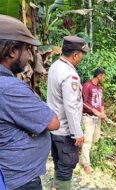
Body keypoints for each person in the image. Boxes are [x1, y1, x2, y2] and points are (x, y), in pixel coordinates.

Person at [0, 15, 60, 190]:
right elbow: (52, 122)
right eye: (27, 49)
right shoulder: (9, 88)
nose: (29, 56)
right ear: (12, 51)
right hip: (19, 180)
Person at [47, 36, 89, 189]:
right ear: (75, 54)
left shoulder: (55, 66)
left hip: (54, 128)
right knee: (66, 166)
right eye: (82, 53)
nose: (82, 57)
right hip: (65, 131)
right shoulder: (69, 75)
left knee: (59, 162)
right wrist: (77, 133)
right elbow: (70, 106)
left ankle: (56, 186)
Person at [81, 68, 106, 174]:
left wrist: (102, 113)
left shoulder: (100, 88)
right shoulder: (87, 86)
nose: (104, 79)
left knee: (95, 139)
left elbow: (102, 103)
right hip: (88, 117)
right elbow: (83, 102)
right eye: (103, 77)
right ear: (99, 76)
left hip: (97, 119)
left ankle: (81, 155)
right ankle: (86, 165)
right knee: (87, 141)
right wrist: (95, 112)